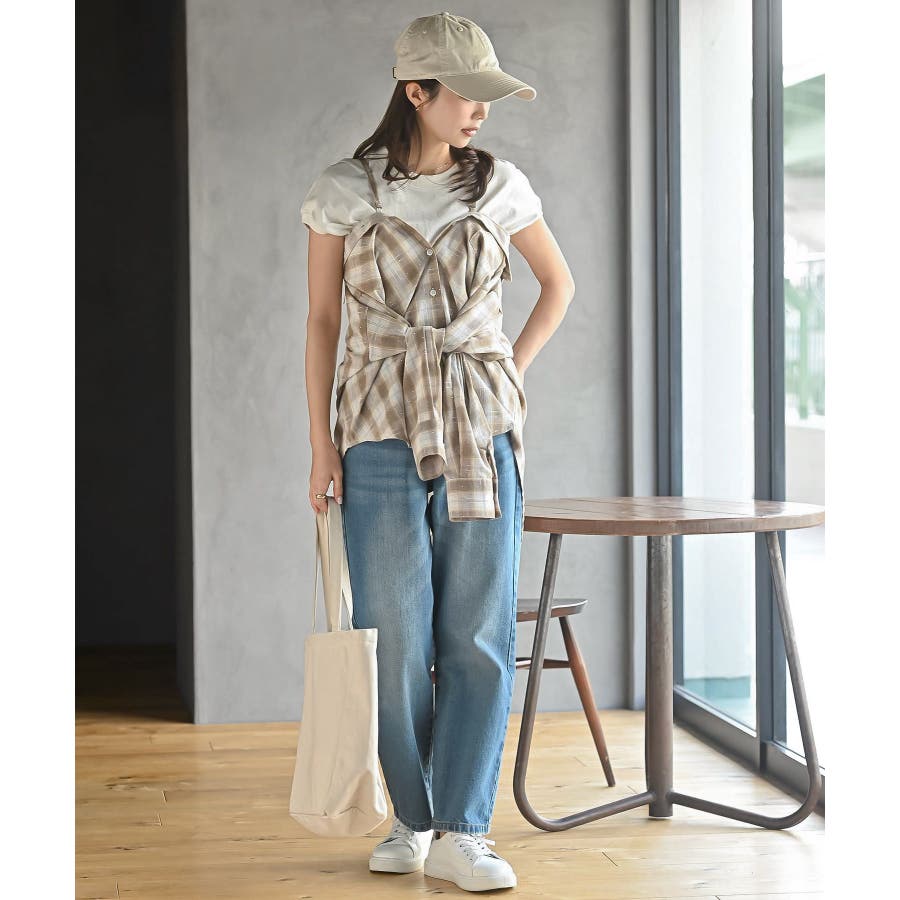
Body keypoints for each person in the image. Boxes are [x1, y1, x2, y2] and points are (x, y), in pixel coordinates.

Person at [301, 12, 575, 893]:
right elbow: (322, 321)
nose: (481, 112)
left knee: (478, 635)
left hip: (479, 435)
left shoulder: (501, 188)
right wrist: (321, 446)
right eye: (467, 94)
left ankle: (465, 828)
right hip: (375, 429)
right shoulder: (343, 191)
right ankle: (412, 817)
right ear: (415, 91)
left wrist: (506, 375)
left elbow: (559, 284)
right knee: (392, 637)